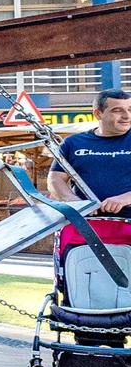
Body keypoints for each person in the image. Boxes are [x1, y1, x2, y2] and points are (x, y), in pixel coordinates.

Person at [49, 89, 131, 250]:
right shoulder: (72, 143)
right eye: (117, 110)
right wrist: (73, 201)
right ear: (98, 113)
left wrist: (124, 198)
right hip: (83, 226)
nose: (127, 116)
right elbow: (55, 179)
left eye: (130, 109)